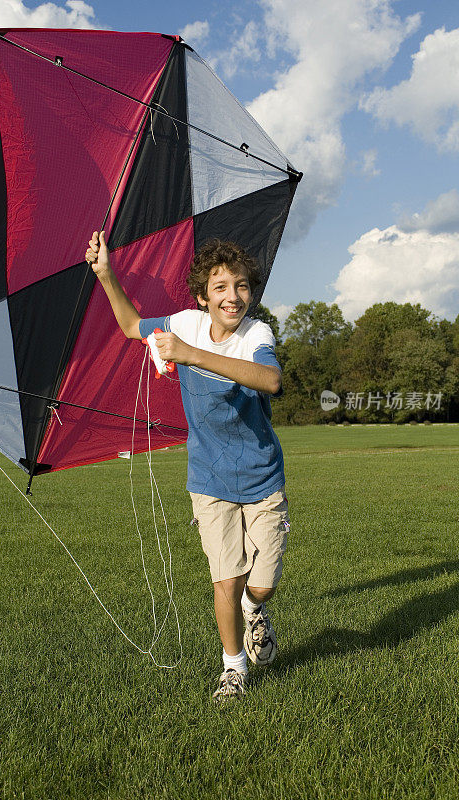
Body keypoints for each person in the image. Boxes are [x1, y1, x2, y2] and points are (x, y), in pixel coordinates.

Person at [85, 231, 289, 701]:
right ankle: (233, 668)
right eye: (220, 287)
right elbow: (132, 325)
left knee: (261, 584)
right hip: (209, 477)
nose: (232, 296)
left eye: (241, 286)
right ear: (203, 297)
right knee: (226, 577)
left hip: (262, 478)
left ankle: (254, 609)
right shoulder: (185, 323)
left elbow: (271, 381)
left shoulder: (255, 334)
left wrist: (191, 355)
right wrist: (106, 275)